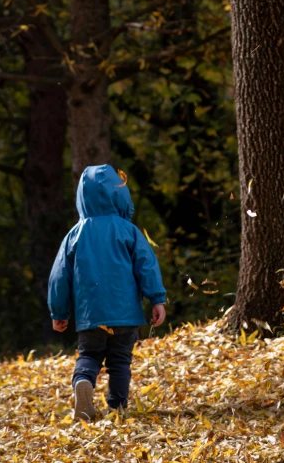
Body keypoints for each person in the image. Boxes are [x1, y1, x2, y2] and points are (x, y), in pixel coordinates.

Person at [48, 164, 166, 420]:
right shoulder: (129, 231)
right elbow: (147, 266)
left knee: (89, 354)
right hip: (125, 316)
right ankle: (117, 407)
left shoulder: (75, 234)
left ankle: (83, 382)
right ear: (119, 195)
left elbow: (59, 276)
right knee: (120, 361)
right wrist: (157, 299)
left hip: (91, 317)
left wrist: (59, 311)